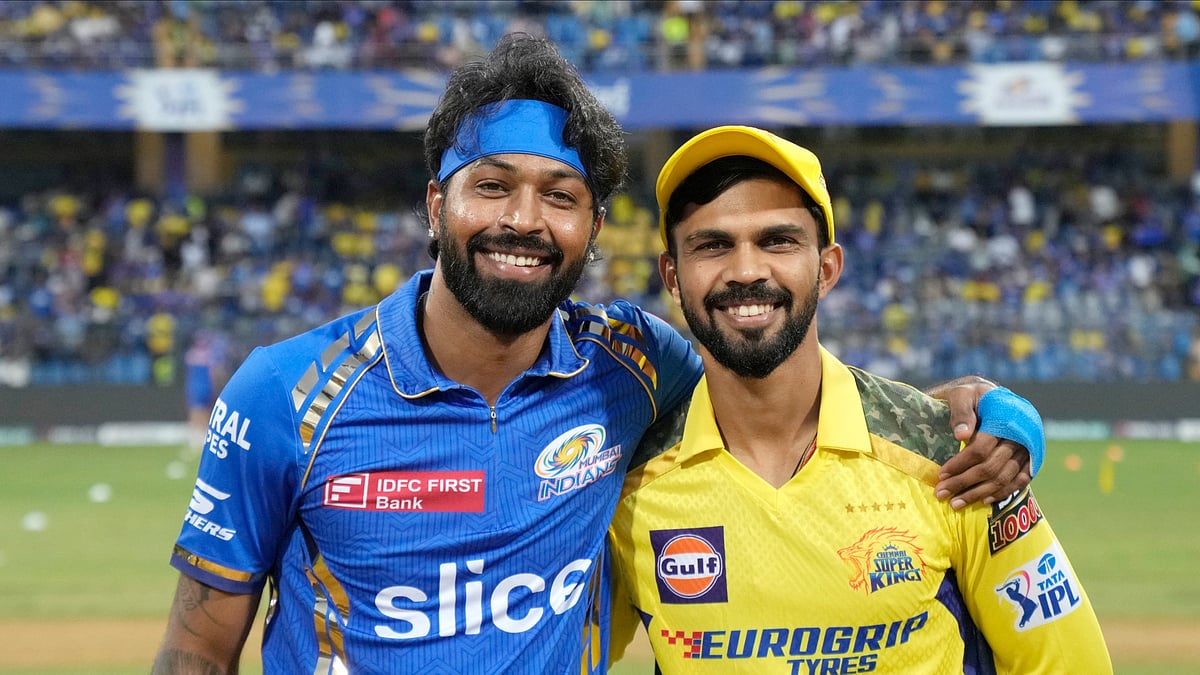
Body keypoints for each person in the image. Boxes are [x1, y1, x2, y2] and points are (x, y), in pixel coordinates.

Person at [152, 35, 1041, 673]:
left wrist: (981, 407)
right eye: (490, 186)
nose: (523, 220)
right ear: (435, 204)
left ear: (593, 228)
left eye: (560, 195)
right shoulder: (285, 393)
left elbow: (778, 382)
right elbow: (197, 646)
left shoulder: (633, 366)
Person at [607, 126, 1112, 672]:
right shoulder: (626, 487)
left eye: (777, 241)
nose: (747, 270)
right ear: (672, 277)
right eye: (713, 245)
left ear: (826, 269)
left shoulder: (955, 457)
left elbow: (1068, 663)